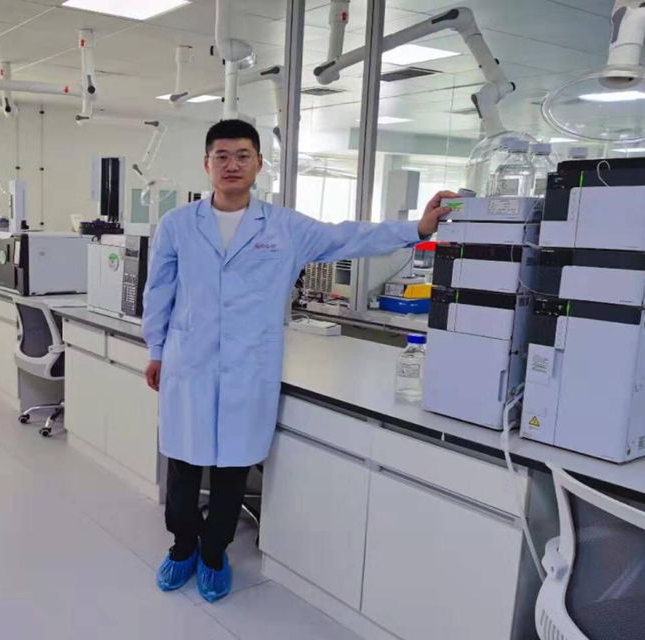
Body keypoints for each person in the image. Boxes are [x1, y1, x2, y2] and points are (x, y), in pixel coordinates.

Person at [141, 119, 456, 603]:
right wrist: (156, 349)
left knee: (231, 466)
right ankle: (183, 545)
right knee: (183, 462)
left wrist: (416, 228)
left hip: (249, 365)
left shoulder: (285, 227)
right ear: (207, 164)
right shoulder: (178, 225)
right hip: (190, 362)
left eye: (242, 155)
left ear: (258, 164)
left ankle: (214, 554)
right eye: (221, 156)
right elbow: (158, 291)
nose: (231, 165)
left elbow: (348, 237)